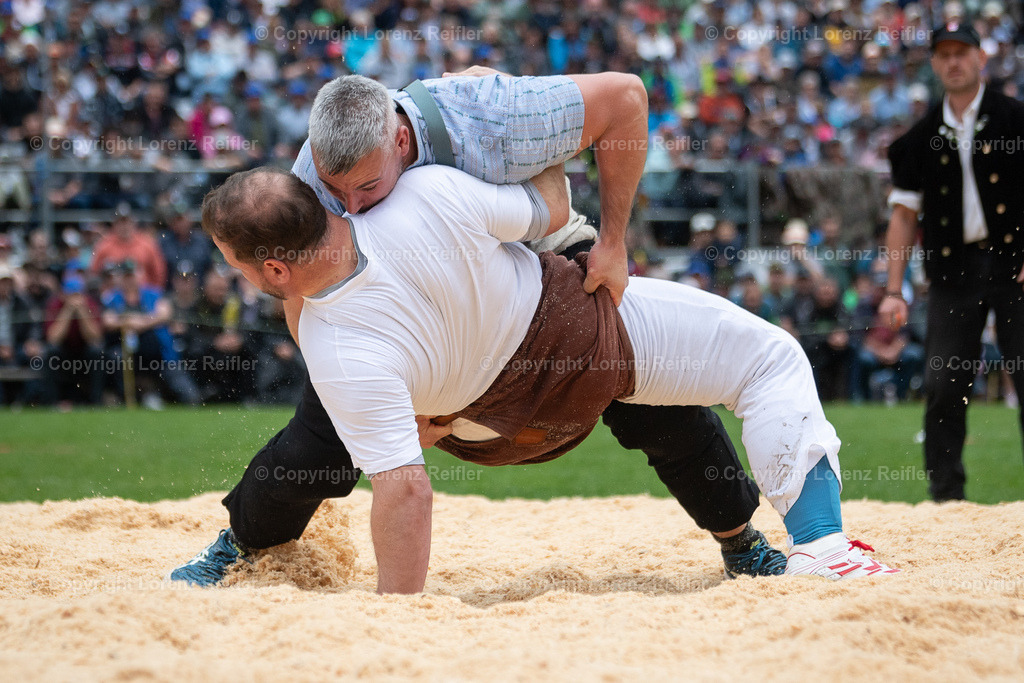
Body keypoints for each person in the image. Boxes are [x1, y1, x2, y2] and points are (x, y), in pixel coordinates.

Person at [171, 164, 898, 592]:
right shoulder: (428, 187)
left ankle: (746, 540)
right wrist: (538, 155)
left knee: (316, 441)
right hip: (569, 341)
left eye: (231, 262)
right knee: (752, 365)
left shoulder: (338, 336)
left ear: (272, 267)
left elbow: (404, 485)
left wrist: (399, 616)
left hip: (492, 389)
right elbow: (554, 198)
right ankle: (809, 543)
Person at [196, 72, 788, 578]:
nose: (349, 205)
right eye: (334, 191)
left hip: (533, 254)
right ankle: (245, 542)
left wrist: (612, 243)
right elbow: (302, 292)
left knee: (643, 379)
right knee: (322, 430)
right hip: (389, 295)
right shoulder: (316, 170)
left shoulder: (493, 112)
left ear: (401, 141)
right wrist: (343, 376)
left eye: (368, 186)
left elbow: (625, 101)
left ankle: (740, 539)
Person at [879, 22, 1024, 501]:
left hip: (1016, 268)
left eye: (962, 52)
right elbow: (903, 217)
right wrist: (893, 290)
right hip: (951, 274)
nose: (954, 62)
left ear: (981, 58)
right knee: (944, 383)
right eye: (944, 54)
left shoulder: (1015, 119)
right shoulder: (915, 141)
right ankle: (946, 498)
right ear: (935, 64)